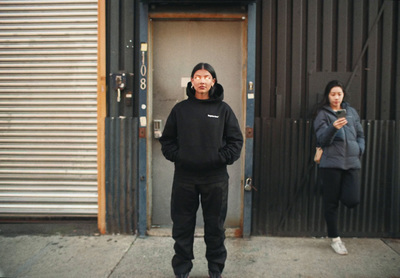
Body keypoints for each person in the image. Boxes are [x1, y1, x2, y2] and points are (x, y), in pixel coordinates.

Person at [159, 63, 243, 278]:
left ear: (213, 81)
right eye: (198, 76)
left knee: (215, 228)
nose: (202, 80)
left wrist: (218, 158)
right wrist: (181, 156)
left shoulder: (223, 110)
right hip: (184, 178)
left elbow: (235, 141)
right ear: (192, 81)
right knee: (182, 228)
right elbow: (167, 140)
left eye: (207, 76)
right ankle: (182, 270)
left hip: (215, 179)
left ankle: (215, 270)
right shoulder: (181, 109)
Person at [314, 80, 365, 255]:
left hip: (351, 163)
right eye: (333, 94)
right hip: (331, 165)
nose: (336, 97)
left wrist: (360, 149)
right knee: (331, 203)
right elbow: (321, 140)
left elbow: (360, 134)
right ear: (327, 96)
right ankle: (335, 239)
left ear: (343, 95)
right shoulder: (322, 114)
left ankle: (327, 191)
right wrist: (333, 127)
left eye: (339, 94)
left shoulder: (351, 112)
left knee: (352, 199)